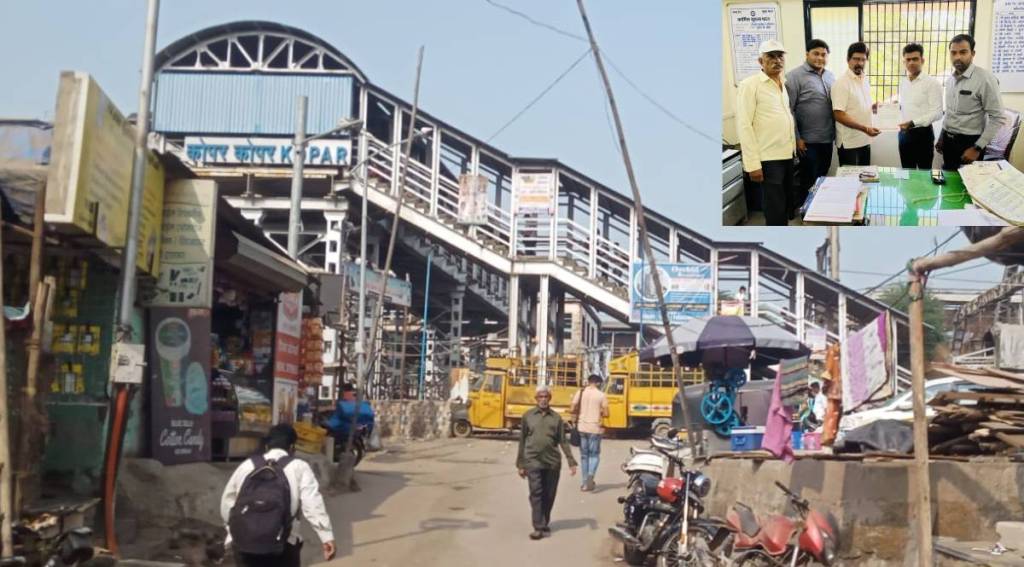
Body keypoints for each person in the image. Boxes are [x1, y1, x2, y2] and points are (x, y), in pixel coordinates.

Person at [221, 424, 336, 567]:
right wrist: (326, 537)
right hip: (284, 543)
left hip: (244, 543)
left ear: (266, 446)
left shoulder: (247, 465)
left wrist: (232, 532)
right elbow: (312, 505)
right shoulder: (299, 467)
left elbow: (227, 503)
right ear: (292, 448)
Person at [736, 39, 797, 226]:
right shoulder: (750, 85)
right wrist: (752, 164)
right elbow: (744, 125)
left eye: (780, 56)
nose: (777, 60)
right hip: (768, 158)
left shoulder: (782, 83)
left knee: (785, 204)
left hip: (787, 154)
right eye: (771, 56)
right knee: (774, 208)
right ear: (760, 61)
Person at [517, 385, 578, 540]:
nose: (543, 399)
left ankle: (544, 521)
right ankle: (538, 526)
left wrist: (571, 461)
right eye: (540, 397)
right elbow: (522, 440)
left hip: (552, 462)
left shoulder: (556, 418)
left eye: (546, 397)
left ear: (549, 398)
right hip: (533, 460)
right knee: (536, 492)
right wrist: (520, 464)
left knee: (549, 494)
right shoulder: (528, 416)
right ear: (536, 399)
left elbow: (563, 441)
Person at [938, 34, 1006, 171]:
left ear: (972, 53)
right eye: (953, 53)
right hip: (948, 140)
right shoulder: (950, 80)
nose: (957, 57)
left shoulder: (985, 79)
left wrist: (977, 148)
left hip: (970, 143)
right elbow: (950, 112)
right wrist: (941, 136)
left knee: (969, 185)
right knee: (949, 180)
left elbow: (998, 117)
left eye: (963, 52)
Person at [786, 39, 836, 212]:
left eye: (823, 54)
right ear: (807, 54)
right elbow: (788, 110)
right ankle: (805, 212)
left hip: (827, 138)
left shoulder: (830, 76)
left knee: (823, 177)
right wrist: (797, 138)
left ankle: (818, 209)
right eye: (816, 53)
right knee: (809, 179)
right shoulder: (794, 76)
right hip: (807, 142)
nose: (820, 58)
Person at [832, 42, 881, 166]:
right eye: (856, 59)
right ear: (848, 60)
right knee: (850, 183)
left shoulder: (864, 80)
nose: (859, 63)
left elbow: (857, 106)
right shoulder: (842, 83)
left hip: (864, 140)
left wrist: (873, 107)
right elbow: (839, 115)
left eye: (863, 59)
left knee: (865, 180)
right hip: (849, 144)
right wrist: (865, 129)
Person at [897, 43, 943, 170]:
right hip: (904, 134)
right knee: (907, 173)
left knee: (924, 175)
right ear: (904, 62)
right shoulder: (903, 82)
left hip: (923, 135)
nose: (911, 62)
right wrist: (885, 109)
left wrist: (912, 123)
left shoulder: (932, 83)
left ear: (922, 60)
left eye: (915, 59)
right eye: (908, 59)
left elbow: (938, 112)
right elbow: (906, 106)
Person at [570, 374, 609, 492]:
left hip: (582, 427)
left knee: (584, 456)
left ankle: (584, 483)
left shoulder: (580, 392)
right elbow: (606, 413)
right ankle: (591, 475)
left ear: (589, 381)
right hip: (595, 428)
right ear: (597, 383)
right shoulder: (601, 395)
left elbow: (572, 408)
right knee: (594, 455)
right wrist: (600, 411)